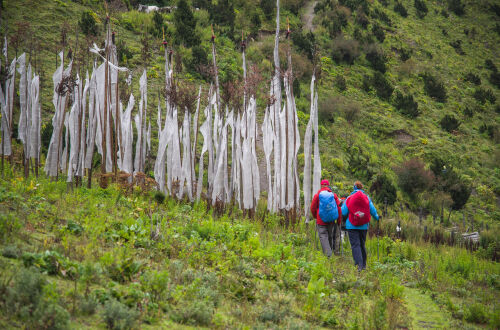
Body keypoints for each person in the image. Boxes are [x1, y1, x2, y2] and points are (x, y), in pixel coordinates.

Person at [341, 181, 379, 271]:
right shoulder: (367, 198)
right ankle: (364, 265)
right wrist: (377, 217)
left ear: (354, 188)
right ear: (362, 188)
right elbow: (372, 210)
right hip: (364, 225)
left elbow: (343, 212)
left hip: (351, 225)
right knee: (362, 244)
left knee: (355, 245)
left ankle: (359, 265)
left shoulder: (349, 198)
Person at [310, 179, 342, 257]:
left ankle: (328, 255)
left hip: (321, 220)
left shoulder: (317, 195)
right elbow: (338, 208)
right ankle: (329, 252)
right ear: (328, 185)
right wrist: (338, 220)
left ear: (321, 185)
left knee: (323, 236)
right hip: (331, 220)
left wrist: (315, 216)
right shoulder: (333, 195)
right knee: (329, 236)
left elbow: (312, 208)